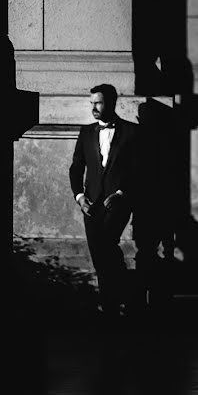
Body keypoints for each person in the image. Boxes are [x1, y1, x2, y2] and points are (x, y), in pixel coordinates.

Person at [69, 84, 141, 320]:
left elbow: (138, 169)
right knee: (99, 255)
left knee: (107, 244)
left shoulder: (131, 132)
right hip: (90, 204)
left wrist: (121, 193)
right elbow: (76, 168)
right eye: (91, 103)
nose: (94, 108)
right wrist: (79, 198)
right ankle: (114, 302)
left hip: (117, 203)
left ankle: (117, 300)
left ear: (111, 103)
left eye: (98, 103)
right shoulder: (86, 132)